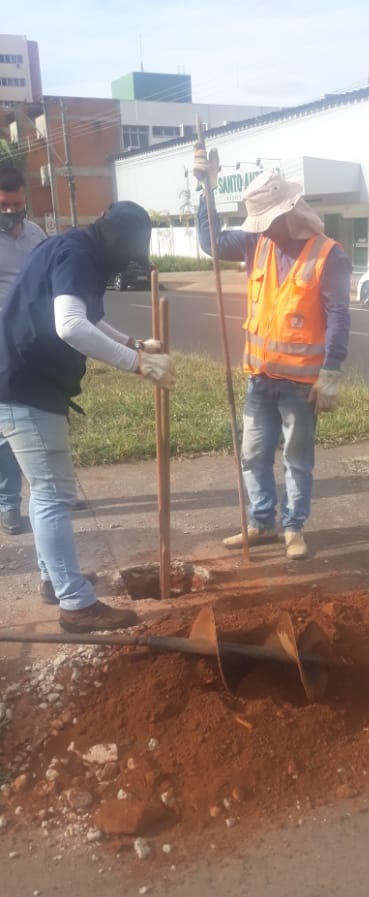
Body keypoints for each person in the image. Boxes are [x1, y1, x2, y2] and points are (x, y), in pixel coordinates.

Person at [0, 201, 176, 632]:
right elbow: (71, 326)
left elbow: (90, 317)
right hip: (26, 386)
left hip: (20, 381)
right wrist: (136, 365)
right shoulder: (79, 254)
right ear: (117, 240)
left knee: (43, 492)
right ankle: (75, 603)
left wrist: (136, 343)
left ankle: (53, 580)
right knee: (53, 493)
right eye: (128, 255)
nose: (126, 265)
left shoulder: (76, 248)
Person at [194, 148, 351, 560]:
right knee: (252, 455)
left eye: (267, 221)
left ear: (288, 212)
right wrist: (205, 188)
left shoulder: (328, 254)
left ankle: (293, 527)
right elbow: (210, 241)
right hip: (259, 378)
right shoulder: (256, 242)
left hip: (301, 384)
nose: (262, 229)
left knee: (297, 460)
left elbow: (338, 314)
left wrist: (331, 370)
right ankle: (262, 523)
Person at [0, 165, 46, 536]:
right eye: (4, 204)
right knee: (4, 426)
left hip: (32, 341)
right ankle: (7, 504)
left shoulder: (36, 234)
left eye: (17, 204)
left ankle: (47, 490)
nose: (12, 211)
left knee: (41, 413)